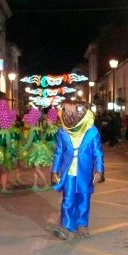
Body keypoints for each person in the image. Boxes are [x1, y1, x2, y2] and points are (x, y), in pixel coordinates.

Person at [50, 100, 105, 240]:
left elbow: (97, 153)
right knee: (68, 199)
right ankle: (67, 227)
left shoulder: (92, 132)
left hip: (84, 172)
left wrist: (99, 170)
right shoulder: (62, 132)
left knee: (84, 198)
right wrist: (54, 170)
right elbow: (59, 152)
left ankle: (82, 225)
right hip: (68, 172)